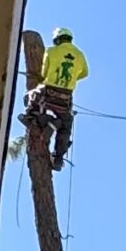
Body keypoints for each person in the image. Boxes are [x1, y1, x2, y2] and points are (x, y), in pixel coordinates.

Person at [33, 28, 88, 169]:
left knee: (31, 102)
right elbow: (85, 73)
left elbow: (44, 72)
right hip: (65, 97)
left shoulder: (51, 51)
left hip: (47, 92)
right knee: (66, 125)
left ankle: (43, 119)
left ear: (57, 40)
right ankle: (58, 158)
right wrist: (73, 77)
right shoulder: (80, 55)